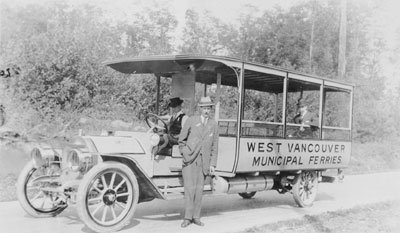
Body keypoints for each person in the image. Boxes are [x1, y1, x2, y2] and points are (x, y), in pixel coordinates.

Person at [178, 96, 219, 228]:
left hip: (204, 162)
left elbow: (215, 146)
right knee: (189, 190)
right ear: (200, 108)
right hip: (190, 161)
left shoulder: (213, 124)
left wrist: (212, 164)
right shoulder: (191, 120)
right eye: (204, 108)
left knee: (199, 191)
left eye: (208, 108)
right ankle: (187, 218)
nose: (206, 110)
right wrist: (185, 153)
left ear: (210, 109)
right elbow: (181, 140)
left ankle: (196, 217)